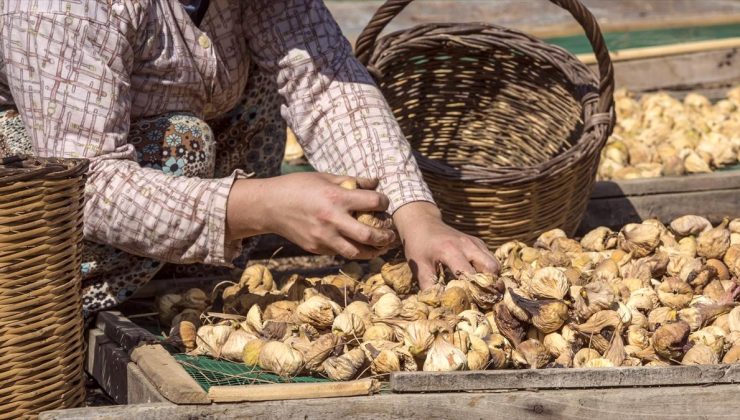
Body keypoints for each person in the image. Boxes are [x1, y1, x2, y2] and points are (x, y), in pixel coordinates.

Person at [0, 0, 499, 314]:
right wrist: (262, 206)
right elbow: (87, 182)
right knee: (183, 143)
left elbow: (323, 82)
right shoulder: (61, 7)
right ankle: (74, 307)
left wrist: (418, 216)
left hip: (155, 156)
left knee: (264, 75)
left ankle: (181, 275)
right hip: (37, 198)